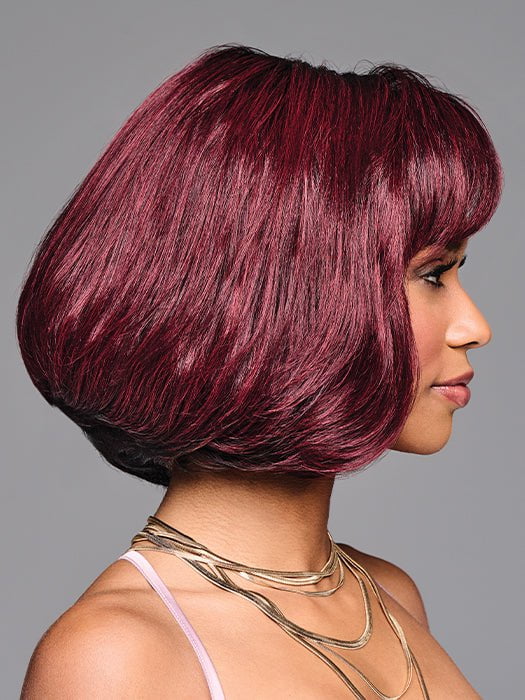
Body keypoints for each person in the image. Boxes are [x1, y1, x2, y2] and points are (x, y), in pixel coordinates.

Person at [17, 44, 502, 698]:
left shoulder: (389, 597)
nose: (475, 325)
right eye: (434, 274)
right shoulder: (118, 658)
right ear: (294, 296)